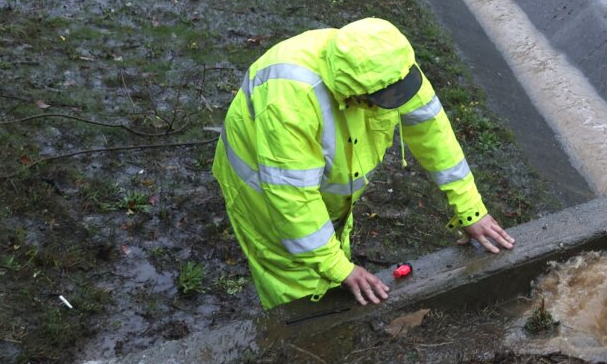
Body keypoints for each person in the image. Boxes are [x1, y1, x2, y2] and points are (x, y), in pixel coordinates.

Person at [212, 18, 515, 309]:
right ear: (355, 95)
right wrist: (338, 268)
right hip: (262, 185)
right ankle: (300, 337)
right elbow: (292, 197)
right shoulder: (289, 101)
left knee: (329, 242)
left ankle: (331, 273)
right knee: (295, 276)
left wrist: (470, 208)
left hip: (313, 182)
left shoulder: (389, 65)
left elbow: (432, 132)